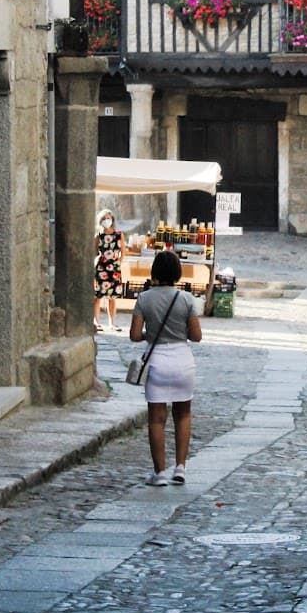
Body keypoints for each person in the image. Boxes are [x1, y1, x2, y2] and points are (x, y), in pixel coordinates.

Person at [130, 248, 202, 486]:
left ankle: (160, 472)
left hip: (157, 361)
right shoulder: (186, 300)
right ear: (178, 273)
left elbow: (133, 335)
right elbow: (196, 335)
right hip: (182, 360)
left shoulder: (144, 299)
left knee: (156, 418)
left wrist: (149, 334)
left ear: (155, 272)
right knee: (183, 414)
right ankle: (180, 468)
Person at [93, 208, 125, 333]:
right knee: (97, 296)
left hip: (114, 267)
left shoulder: (118, 234)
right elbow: (95, 251)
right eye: (104, 218)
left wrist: (119, 263)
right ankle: (96, 321)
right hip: (101, 266)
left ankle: (112, 323)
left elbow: (123, 250)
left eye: (108, 218)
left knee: (112, 297)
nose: (106, 220)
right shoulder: (99, 235)